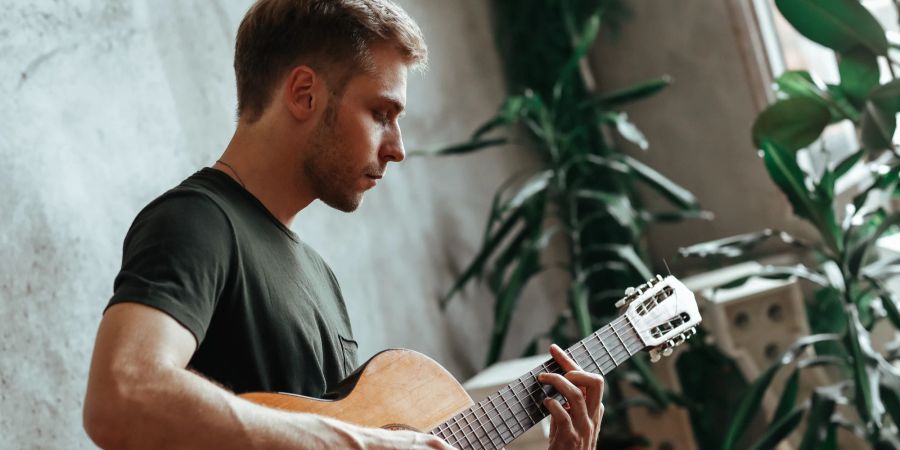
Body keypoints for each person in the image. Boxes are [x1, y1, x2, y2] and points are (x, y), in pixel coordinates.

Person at [82, 1, 605, 449]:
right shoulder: (197, 222)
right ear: (305, 93)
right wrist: (359, 442)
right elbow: (122, 393)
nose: (397, 148)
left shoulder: (318, 277)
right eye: (381, 113)